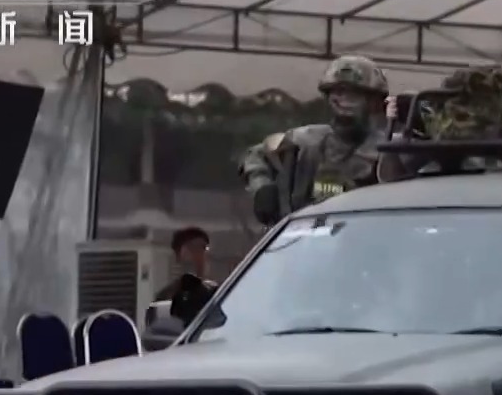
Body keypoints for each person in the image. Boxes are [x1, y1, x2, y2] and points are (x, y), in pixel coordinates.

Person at [240, 55, 392, 226]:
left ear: (374, 102)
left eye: (354, 94)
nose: (343, 101)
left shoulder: (390, 151)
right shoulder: (304, 141)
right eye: (338, 92)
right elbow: (257, 156)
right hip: (300, 237)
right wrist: (262, 188)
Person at [154, 226, 218, 325]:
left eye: (204, 249)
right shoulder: (166, 296)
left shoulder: (215, 293)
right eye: (195, 249)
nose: (202, 256)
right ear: (179, 256)